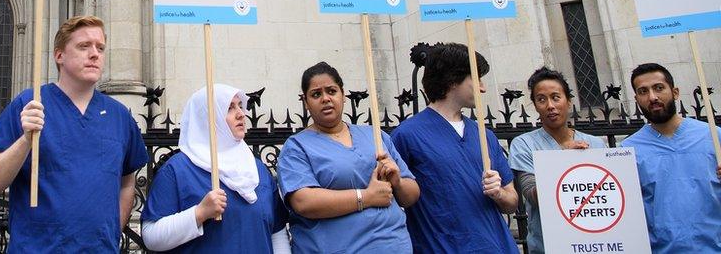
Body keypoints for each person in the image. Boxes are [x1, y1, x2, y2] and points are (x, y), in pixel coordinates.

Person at [0, 15, 148, 253]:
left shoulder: (119, 116)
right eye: (84, 46)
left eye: (100, 48)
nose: (95, 54)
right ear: (59, 55)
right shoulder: (30, 104)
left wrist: (112, 231)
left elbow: (127, 182)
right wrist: (26, 140)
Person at [390, 42, 519, 253]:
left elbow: (512, 201)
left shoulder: (484, 135)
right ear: (452, 81)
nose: (483, 87)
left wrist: (499, 194)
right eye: (476, 78)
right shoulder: (407, 136)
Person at [277, 62, 419, 253]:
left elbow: (411, 196)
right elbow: (304, 202)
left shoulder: (376, 136)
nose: (325, 99)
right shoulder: (297, 147)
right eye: (316, 94)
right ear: (305, 102)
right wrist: (366, 197)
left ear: (343, 95)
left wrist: (397, 182)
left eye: (331, 91)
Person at [141, 84, 289, 253]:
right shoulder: (177, 169)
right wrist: (199, 213)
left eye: (240, 106)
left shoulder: (257, 169)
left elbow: (277, 232)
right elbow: (151, 236)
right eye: (229, 108)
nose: (241, 114)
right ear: (207, 117)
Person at [622, 62, 721, 253]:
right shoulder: (628, 150)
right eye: (643, 91)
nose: (652, 97)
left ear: (675, 92)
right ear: (636, 99)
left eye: (659, 88)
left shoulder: (714, 137)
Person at [508, 67, 605, 254]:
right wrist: (561, 159)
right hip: (548, 246)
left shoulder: (595, 144)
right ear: (535, 106)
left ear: (568, 101)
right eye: (541, 99)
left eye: (555, 97)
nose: (550, 106)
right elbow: (532, 195)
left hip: (595, 242)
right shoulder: (524, 145)